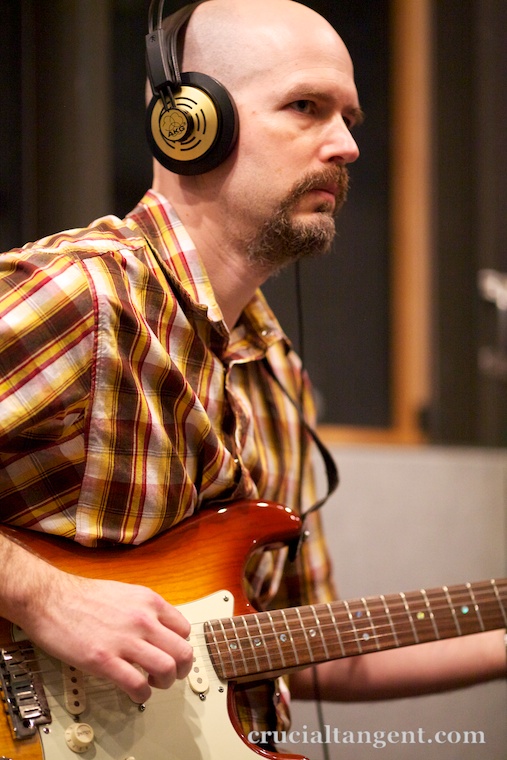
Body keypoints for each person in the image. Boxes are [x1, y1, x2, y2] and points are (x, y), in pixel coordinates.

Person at [0, 0, 504, 747]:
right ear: (189, 124)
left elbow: (300, 653)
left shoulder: (277, 380)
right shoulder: (86, 296)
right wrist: (44, 599)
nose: (346, 146)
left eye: (350, 119)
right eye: (306, 107)